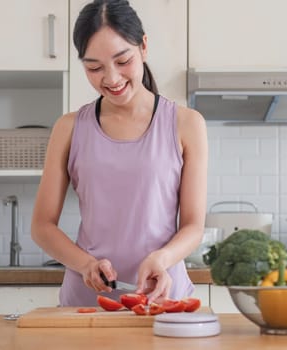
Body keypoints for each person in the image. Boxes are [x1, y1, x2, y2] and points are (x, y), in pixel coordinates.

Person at [31, 0, 208, 306]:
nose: (111, 79)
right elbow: (42, 226)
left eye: (122, 60)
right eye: (94, 67)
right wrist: (85, 264)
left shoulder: (186, 124)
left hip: (163, 298)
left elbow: (193, 225)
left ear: (143, 47)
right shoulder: (69, 128)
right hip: (86, 302)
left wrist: (163, 258)